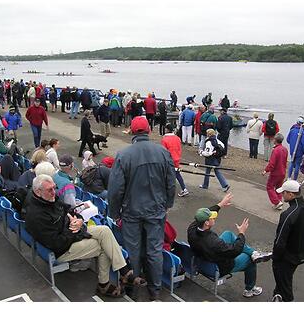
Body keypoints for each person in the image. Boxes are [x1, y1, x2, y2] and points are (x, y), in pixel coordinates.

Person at [25, 174, 145, 298]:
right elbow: (56, 243)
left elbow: (70, 210)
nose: (54, 192)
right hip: (62, 249)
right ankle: (106, 284)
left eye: (54, 188)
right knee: (104, 246)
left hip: (71, 232)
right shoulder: (37, 215)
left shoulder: (49, 199)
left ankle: (124, 271)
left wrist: (79, 220)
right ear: (38, 192)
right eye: (49, 190)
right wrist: (74, 230)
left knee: (105, 230)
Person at [108, 116, 176, 301]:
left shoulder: (123, 155)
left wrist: (114, 213)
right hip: (156, 210)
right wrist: (168, 204)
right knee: (154, 250)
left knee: (134, 250)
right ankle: (155, 290)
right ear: (149, 130)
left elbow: (115, 190)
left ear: (131, 131)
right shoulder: (162, 152)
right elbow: (171, 183)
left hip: (132, 212)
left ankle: (133, 287)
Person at [187, 193, 272, 298]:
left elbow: (202, 215)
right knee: (249, 260)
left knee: (228, 234)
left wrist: (220, 204)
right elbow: (235, 250)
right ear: (207, 223)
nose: (214, 218)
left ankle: (254, 252)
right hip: (219, 266)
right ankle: (249, 289)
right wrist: (241, 233)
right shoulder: (214, 242)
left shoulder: (192, 229)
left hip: (203, 259)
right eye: (212, 218)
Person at [272, 180, 304, 302]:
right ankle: (277, 296)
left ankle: (285, 300)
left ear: (291, 195)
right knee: (285, 280)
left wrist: (275, 257)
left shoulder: (288, 214)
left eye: (284, 193)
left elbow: (280, 241)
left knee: (285, 285)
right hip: (303, 254)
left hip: (288, 257)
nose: (282, 195)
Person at [262, 133, 288, 210]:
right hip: (282, 172)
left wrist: (265, 170)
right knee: (279, 188)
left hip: (276, 173)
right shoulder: (285, 149)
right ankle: (279, 202)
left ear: (275, 140)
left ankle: (277, 202)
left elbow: (272, 163)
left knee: (269, 187)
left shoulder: (275, 150)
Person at [161, 124, 189, 197]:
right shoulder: (177, 138)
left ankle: (165, 191)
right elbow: (179, 149)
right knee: (177, 174)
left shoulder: (164, 139)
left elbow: (164, 152)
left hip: (168, 159)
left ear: (167, 130)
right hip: (176, 158)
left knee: (165, 175)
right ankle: (184, 188)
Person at [286, 116, 304, 180]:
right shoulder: (303, 132)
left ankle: (289, 177)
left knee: (292, 163)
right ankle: (295, 179)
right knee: (297, 164)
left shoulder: (292, 130)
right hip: (299, 151)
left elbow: (288, 140)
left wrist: (292, 144)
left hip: (292, 150)